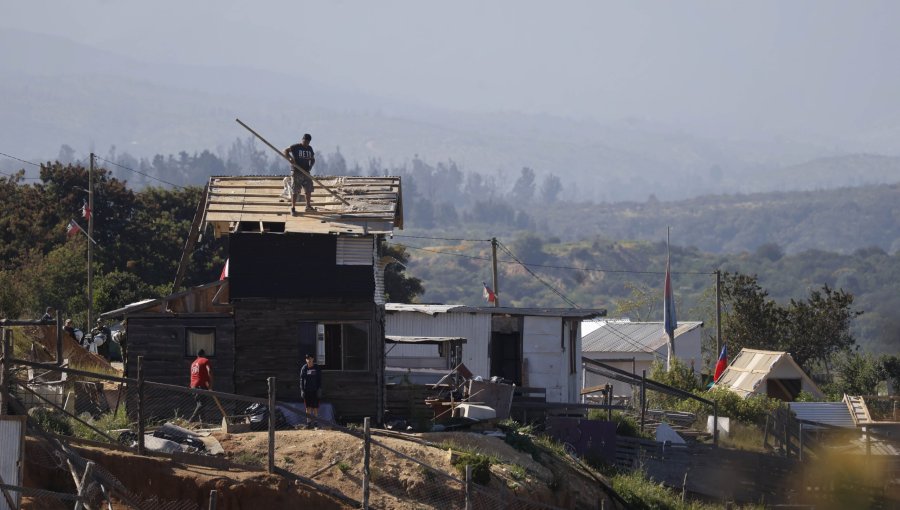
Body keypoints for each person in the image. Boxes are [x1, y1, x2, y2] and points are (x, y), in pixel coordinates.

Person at [283, 133, 316, 214]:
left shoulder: (309, 149)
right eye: (305, 141)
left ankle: (308, 206)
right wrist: (290, 158)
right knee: (295, 190)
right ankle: (293, 208)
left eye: (308, 142)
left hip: (306, 172)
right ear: (302, 140)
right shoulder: (296, 147)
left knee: (308, 188)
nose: (306, 143)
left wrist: (310, 166)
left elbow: (312, 159)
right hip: (296, 171)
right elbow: (285, 151)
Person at [188, 349, 213, 423]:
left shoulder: (193, 363)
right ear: (204, 354)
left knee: (199, 404)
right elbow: (209, 371)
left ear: (197, 355)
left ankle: (202, 422)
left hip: (193, 386)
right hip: (201, 385)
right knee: (201, 404)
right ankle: (191, 420)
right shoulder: (205, 360)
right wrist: (211, 384)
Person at [299, 353, 322, 429]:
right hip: (307, 391)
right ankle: (308, 423)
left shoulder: (316, 368)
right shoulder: (304, 368)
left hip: (315, 390)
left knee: (315, 408)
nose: (309, 360)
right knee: (308, 408)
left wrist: (319, 389)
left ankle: (315, 423)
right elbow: (301, 380)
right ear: (306, 360)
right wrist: (302, 390)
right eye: (307, 359)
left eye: (310, 359)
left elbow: (319, 379)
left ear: (313, 359)